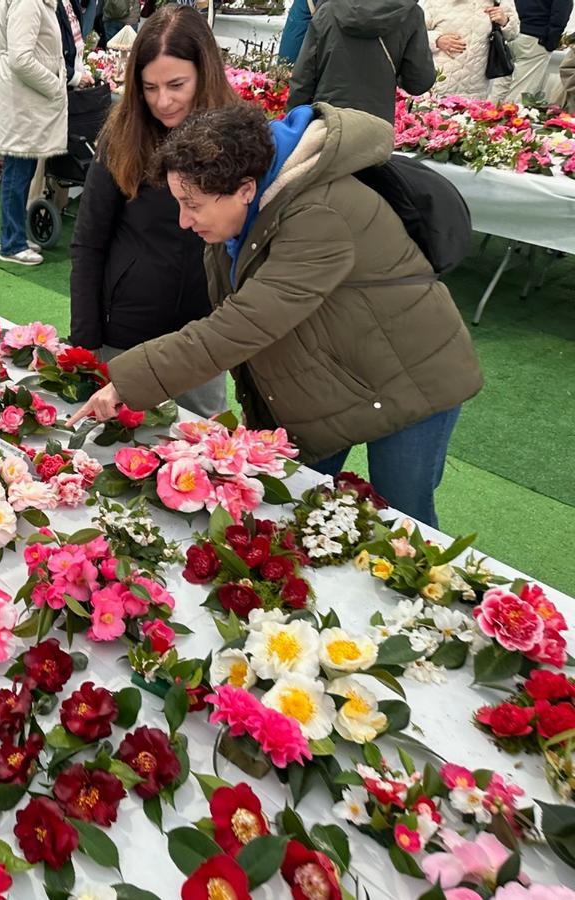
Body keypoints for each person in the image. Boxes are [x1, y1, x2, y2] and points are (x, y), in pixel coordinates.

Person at [69, 103, 483, 527]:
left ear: (245, 188)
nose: (183, 220)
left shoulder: (319, 214)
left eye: (192, 205)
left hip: (414, 377)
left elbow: (244, 323)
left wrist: (128, 381)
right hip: (336, 375)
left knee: (403, 519)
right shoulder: (243, 211)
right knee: (294, 506)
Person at [68, 6, 232, 418]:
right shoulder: (122, 136)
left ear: (204, 73)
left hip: (202, 339)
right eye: (149, 87)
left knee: (202, 458)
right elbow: (88, 241)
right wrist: (84, 338)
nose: (163, 101)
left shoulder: (236, 138)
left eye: (177, 84)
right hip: (126, 331)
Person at [0, 0, 67, 266]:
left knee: (20, 169)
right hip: (23, 98)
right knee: (18, 171)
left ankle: (14, 237)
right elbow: (21, 58)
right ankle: (11, 243)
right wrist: (54, 86)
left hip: (23, 97)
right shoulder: (29, 2)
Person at [288, 0, 436, 124]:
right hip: (377, 128)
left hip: (328, 122)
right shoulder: (410, 13)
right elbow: (419, 81)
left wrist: (295, 123)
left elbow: (303, 79)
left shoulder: (328, 10)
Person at [423, 0, 518, 99]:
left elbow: (513, 33)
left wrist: (505, 21)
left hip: (477, 87)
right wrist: (437, 40)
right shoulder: (435, 2)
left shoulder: (500, 2)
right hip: (437, 83)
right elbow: (414, 34)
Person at [491, 0, 573, 103]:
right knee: (522, 91)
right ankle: (509, 115)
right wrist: (551, 42)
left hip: (511, 32)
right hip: (535, 38)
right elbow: (560, 14)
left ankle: (487, 114)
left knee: (501, 85)